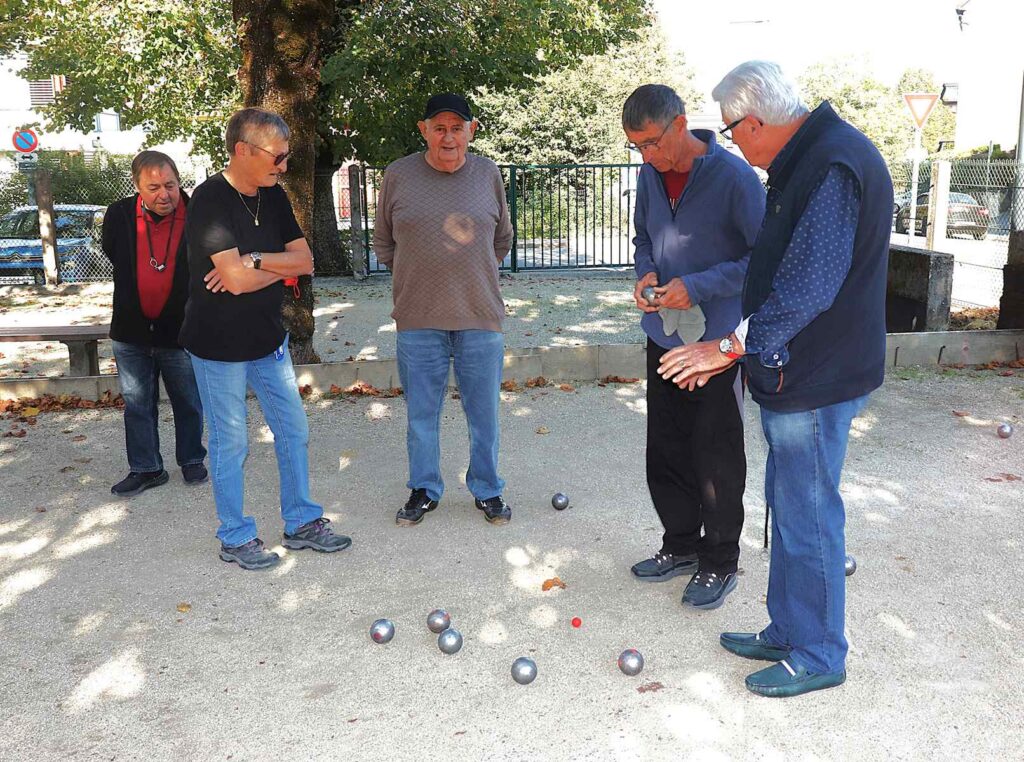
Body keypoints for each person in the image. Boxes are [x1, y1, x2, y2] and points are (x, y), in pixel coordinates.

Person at [659, 61, 892, 697]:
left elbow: (809, 286)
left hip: (817, 372)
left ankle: (818, 653)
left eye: (731, 132)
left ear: (755, 122)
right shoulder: (810, 157)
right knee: (790, 507)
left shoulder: (832, 162)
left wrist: (728, 347)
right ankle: (790, 629)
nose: (733, 144)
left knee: (808, 513)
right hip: (799, 369)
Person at [179, 107, 351, 570]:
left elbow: (305, 262)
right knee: (231, 443)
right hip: (217, 347)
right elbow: (234, 282)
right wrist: (271, 268)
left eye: (286, 155)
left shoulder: (273, 195)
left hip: (268, 340)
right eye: (277, 156)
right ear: (243, 150)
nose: (284, 165)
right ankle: (235, 537)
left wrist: (254, 259)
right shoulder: (210, 199)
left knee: (294, 430)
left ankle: (301, 523)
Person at [622, 84, 765, 609]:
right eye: (637, 147)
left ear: (680, 124)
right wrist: (646, 273)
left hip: (716, 343)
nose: (647, 156)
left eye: (652, 143)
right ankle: (680, 545)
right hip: (663, 334)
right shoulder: (648, 176)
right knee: (667, 447)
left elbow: (762, 261)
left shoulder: (735, 178)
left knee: (715, 453)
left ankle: (720, 561)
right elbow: (643, 238)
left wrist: (698, 286)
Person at [373, 93, 514, 527]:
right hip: (418, 318)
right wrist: (419, 276)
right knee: (421, 415)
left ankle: (487, 489)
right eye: (439, 128)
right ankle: (424, 489)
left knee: (484, 414)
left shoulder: (488, 173)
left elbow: (502, 239)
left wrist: (469, 274)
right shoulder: (398, 175)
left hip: (480, 316)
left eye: (457, 128)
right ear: (424, 131)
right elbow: (384, 243)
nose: (448, 137)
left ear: (471, 131)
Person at [102, 151, 207, 497]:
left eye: (170, 185)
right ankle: (146, 468)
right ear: (137, 187)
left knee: (188, 400)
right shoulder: (119, 215)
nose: (164, 194)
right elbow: (113, 252)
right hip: (130, 330)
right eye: (154, 187)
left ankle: (192, 459)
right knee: (137, 405)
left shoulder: (196, 213)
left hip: (180, 331)